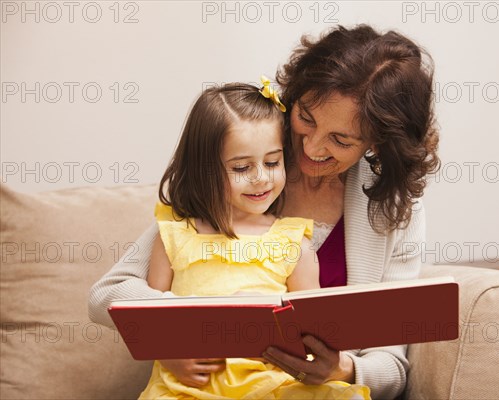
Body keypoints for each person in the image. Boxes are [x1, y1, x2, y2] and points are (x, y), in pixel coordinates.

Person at [90, 24, 439, 399]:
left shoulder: (393, 211)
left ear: (378, 142)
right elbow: (107, 294)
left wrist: (343, 368)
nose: (312, 148)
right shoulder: (241, 167)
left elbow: (393, 367)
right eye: (306, 117)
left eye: (341, 139)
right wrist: (176, 334)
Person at [137, 81, 370, 399]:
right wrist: (167, 353)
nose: (261, 177)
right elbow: (149, 320)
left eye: (273, 162)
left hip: (271, 383)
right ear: (204, 171)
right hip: (192, 389)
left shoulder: (294, 243)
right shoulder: (174, 236)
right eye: (242, 167)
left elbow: (315, 330)